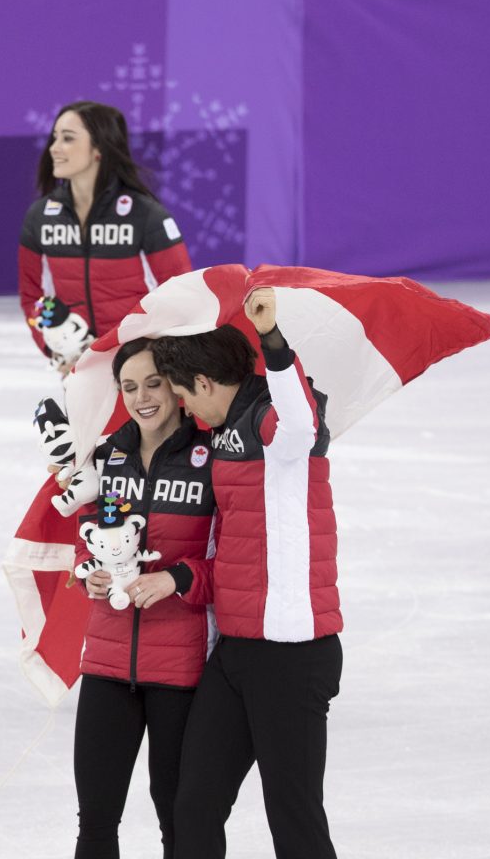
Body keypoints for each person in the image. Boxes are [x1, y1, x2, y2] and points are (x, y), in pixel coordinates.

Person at [151, 289, 342, 859]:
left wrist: (273, 341)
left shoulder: (274, 420)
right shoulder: (225, 430)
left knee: (294, 817)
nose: (183, 408)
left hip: (291, 653)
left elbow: (299, 427)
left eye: (183, 394)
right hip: (236, 651)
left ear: (205, 384)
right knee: (194, 804)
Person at [71, 338, 216, 859]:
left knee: (178, 818)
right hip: (107, 661)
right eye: (129, 387)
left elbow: (241, 563)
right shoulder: (106, 454)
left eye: (153, 383)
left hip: (181, 670)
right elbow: (90, 532)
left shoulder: (213, 455)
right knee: (96, 821)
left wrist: (177, 578)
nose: (141, 397)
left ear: (177, 386)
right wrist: (88, 571)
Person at [18, 101, 191, 368]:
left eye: (68, 138)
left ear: (98, 148)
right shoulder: (40, 217)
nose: (54, 148)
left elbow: (181, 296)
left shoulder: (146, 216)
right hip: (79, 365)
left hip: (144, 367)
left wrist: (159, 356)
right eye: (55, 138)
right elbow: (32, 298)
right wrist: (53, 345)